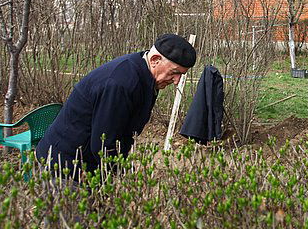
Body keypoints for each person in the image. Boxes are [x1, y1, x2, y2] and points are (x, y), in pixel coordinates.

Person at [35, 34, 196, 178]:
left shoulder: (145, 76)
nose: (176, 81)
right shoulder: (121, 83)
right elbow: (104, 143)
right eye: (174, 73)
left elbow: (123, 132)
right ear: (155, 60)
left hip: (87, 162)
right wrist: (120, 177)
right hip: (65, 165)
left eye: (181, 75)